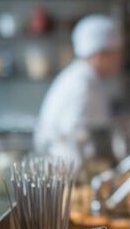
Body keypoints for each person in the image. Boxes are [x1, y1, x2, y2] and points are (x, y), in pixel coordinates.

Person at [33, 14, 123, 161]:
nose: (119, 60)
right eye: (115, 54)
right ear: (99, 55)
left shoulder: (88, 78)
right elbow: (71, 139)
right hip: (65, 171)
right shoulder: (81, 84)